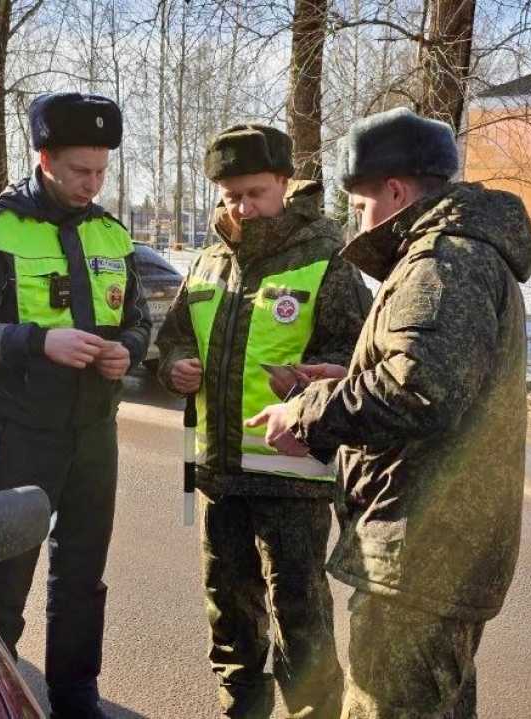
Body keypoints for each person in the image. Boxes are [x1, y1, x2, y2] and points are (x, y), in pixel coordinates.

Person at [247, 107, 531, 718]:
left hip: (420, 553)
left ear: (396, 192)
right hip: (432, 550)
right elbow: (432, 375)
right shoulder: (456, 254)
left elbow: (419, 390)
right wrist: (349, 378)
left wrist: (307, 414)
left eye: (358, 205)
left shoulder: (442, 261)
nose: (356, 219)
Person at [0, 91, 151, 719]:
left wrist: (128, 352)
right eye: (80, 171)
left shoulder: (112, 232)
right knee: (5, 580)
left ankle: (75, 697)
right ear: (44, 158)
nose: (93, 184)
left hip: (93, 432)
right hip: (21, 429)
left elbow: (136, 319)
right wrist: (38, 342)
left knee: (82, 579)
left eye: (102, 171)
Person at [155, 124, 371, 719]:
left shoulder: (327, 259)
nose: (243, 208)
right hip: (217, 476)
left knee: (300, 619)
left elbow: (364, 361)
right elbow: (172, 341)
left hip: (291, 478)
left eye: (255, 193)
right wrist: (174, 366)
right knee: (228, 613)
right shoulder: (206, 262)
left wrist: (315, 379)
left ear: (284, 183)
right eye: (230, 197)